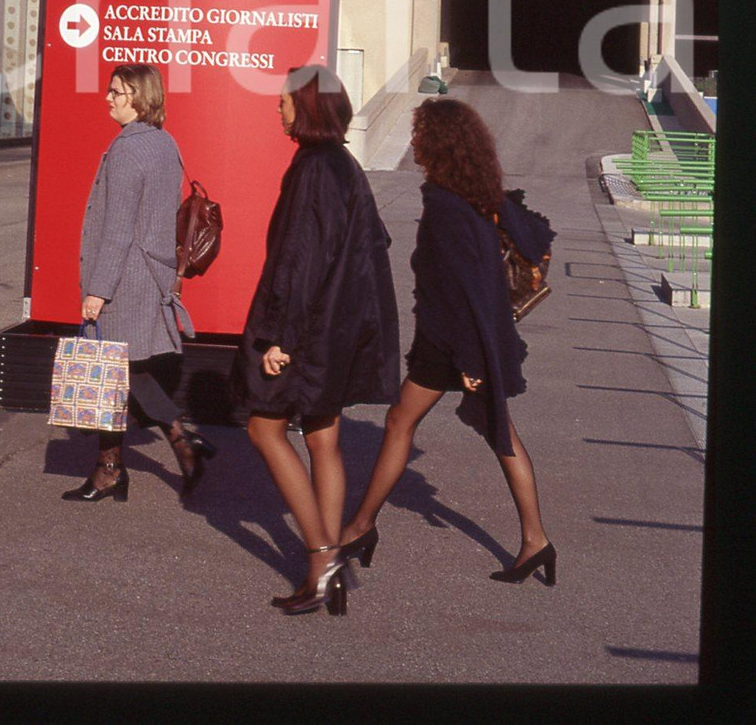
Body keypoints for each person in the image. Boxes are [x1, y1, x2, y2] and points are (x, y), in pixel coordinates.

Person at [339, 97, 557, 585]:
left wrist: (467, 359)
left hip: (453, 341)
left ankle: (359, 526)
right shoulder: (482, 195)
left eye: (419, 134)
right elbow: (533, 237)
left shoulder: (444, 204)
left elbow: (458, 286)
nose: (413, 141)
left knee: (403, 421)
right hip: (471, 336)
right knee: (497, 432)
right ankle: (536, 541)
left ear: (438, 142)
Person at [231, 66, 401, 616]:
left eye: (283, 101)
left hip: (307, 328)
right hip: (339, 327)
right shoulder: (345, 166)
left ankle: (323, 558)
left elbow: (301, 260)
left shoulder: (313, 170)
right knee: (323, 437)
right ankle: (329, 566)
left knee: (263, 428)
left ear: (305, 106)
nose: (276, 109)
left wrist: (280, 337)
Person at [61, 63, 215, 504]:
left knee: (109, 372)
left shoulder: (128, 149)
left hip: (125, 279)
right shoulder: (165, 143)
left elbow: (118, 229)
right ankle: (127, 462)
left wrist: (98, 290)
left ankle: (160, 448)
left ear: (139, 96)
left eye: (116, 91)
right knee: (122, 372)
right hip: (151, 275)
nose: (107, 98)